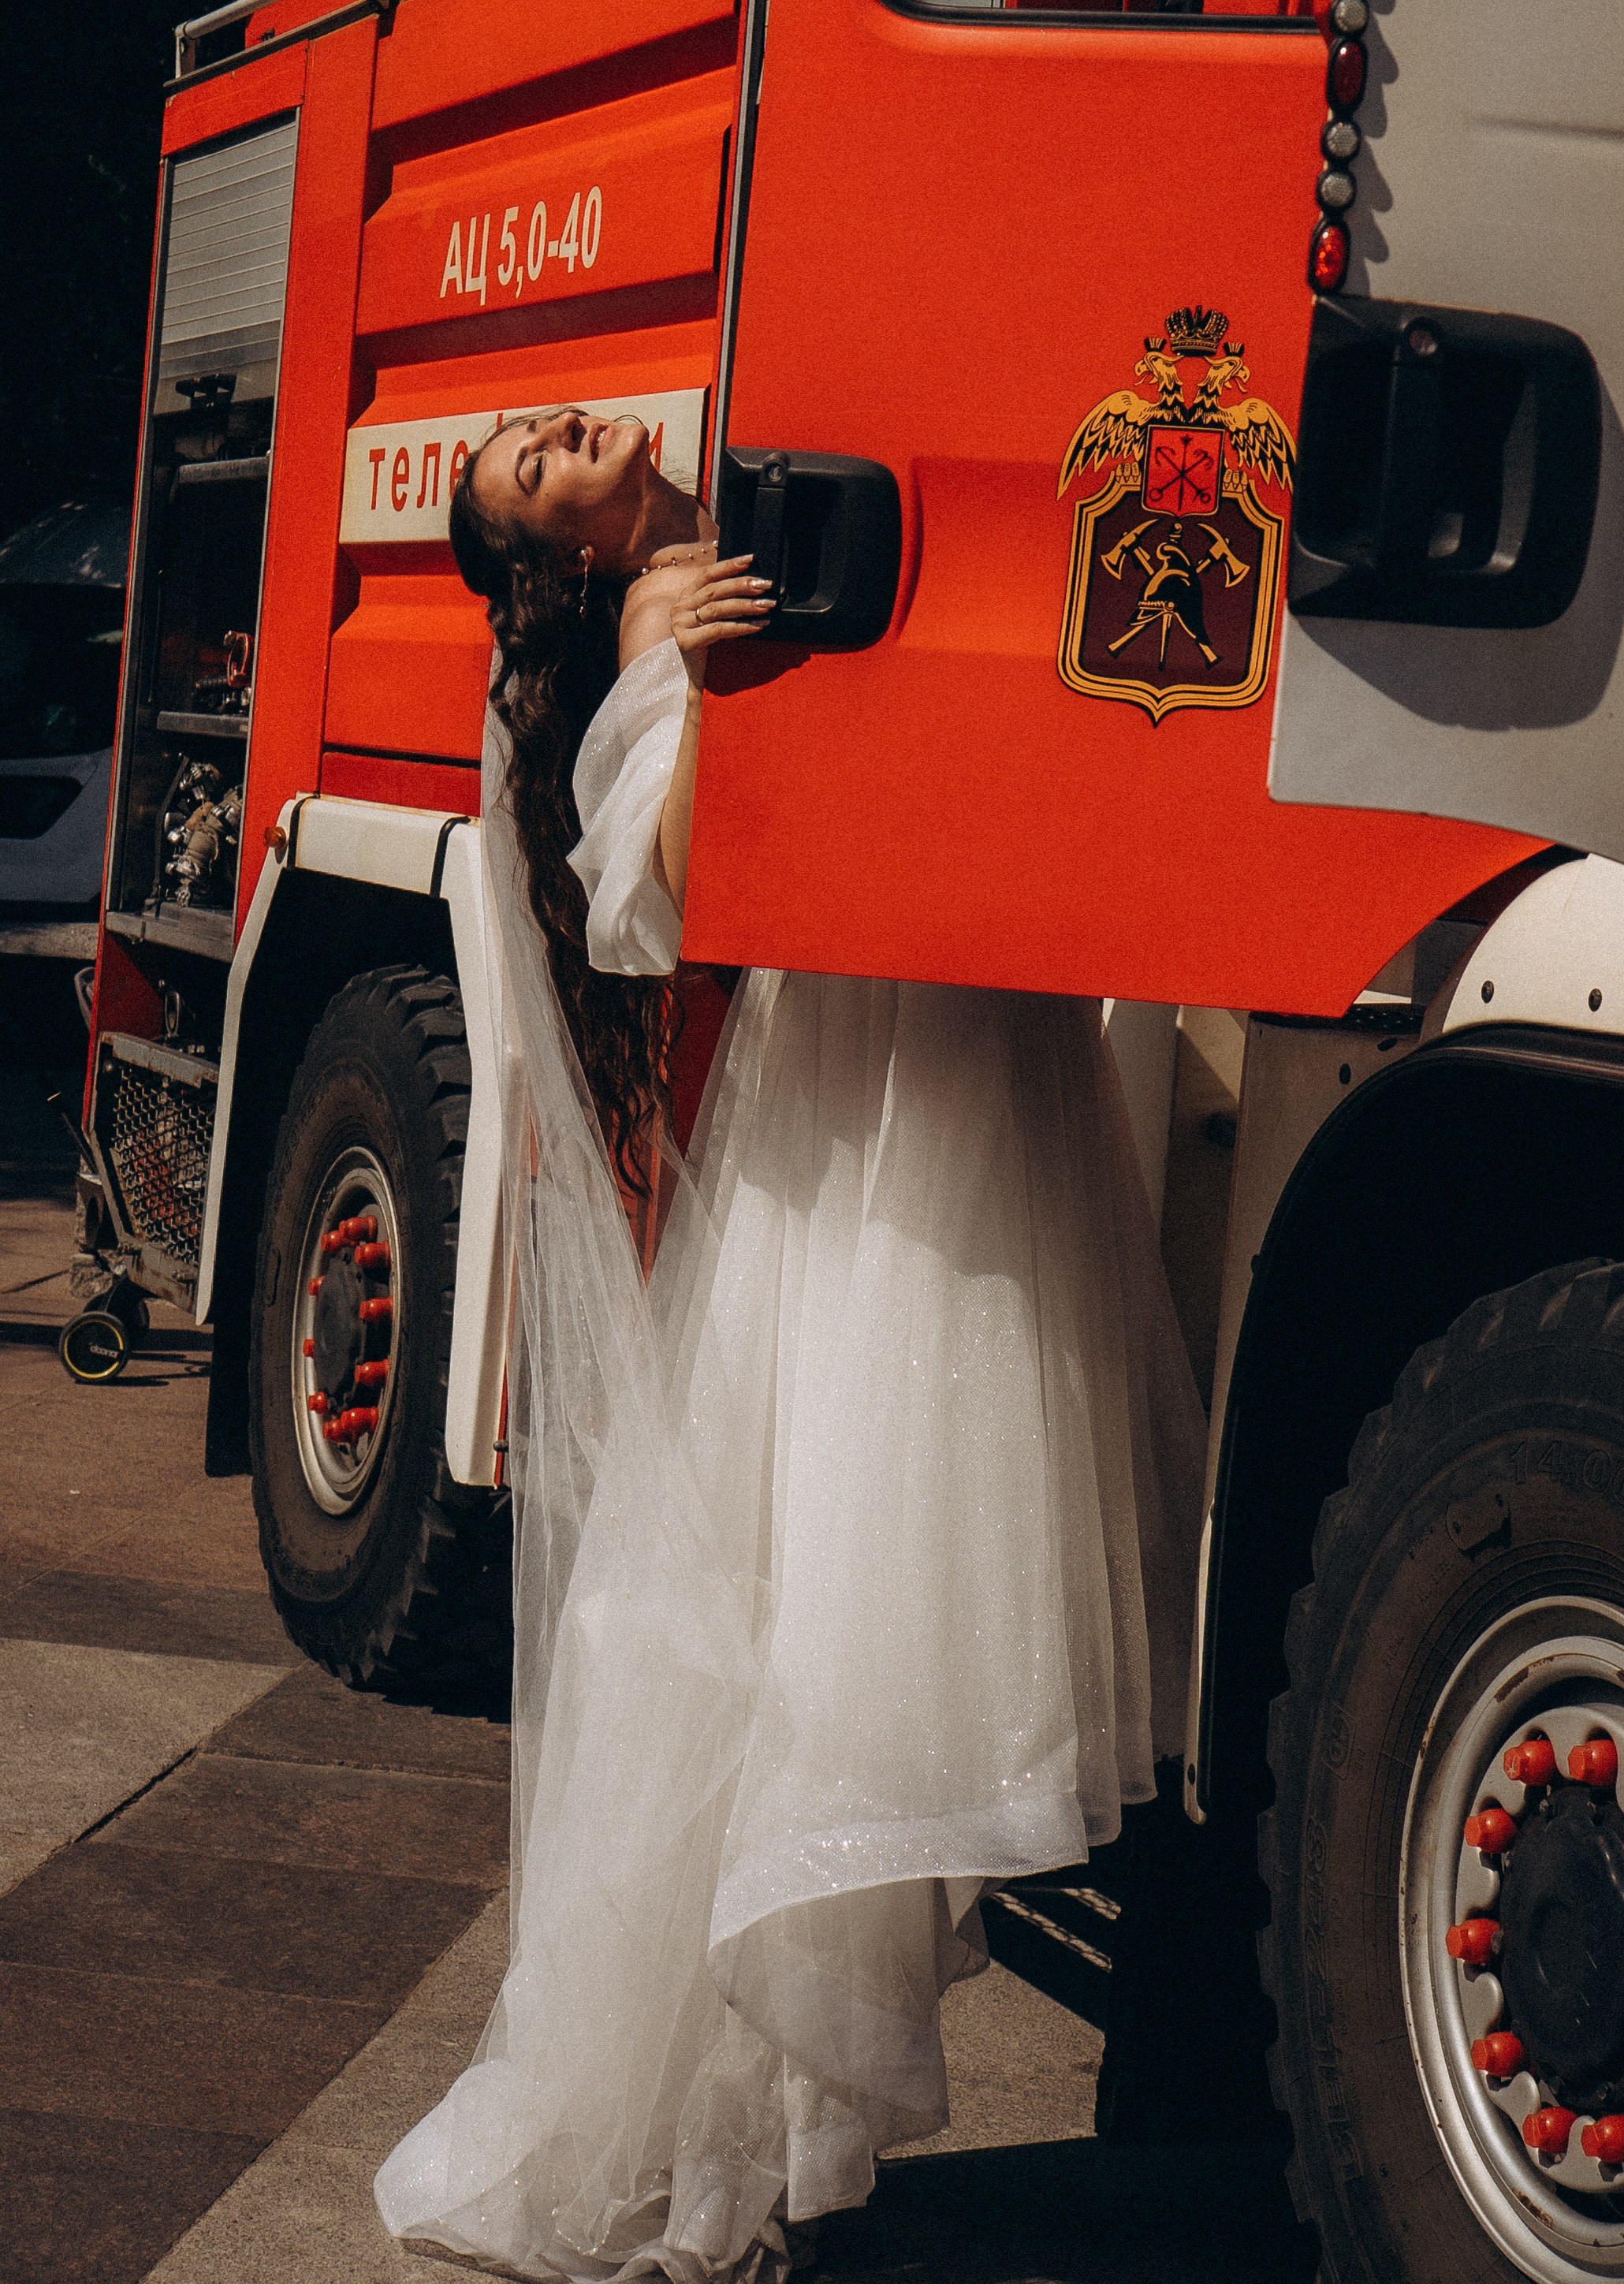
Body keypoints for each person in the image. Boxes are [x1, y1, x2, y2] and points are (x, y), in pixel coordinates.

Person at [374, 404, 1208, 2281]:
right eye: (530, 473)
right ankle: (744, 2158)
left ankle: (807, 2151)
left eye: (537, 431)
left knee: (898, 1580)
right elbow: (655, 905)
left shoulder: (813, 459)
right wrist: (692, 684)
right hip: (870, 1106)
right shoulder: (669, 605)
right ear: (563, 560)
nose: (556, 435)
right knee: (836, 1607)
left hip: (988, 1052)